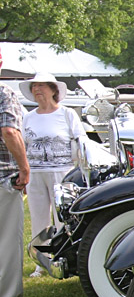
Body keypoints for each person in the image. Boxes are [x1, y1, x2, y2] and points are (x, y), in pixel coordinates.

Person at [20, 73, 87, 276]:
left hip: (62, 172)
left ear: (53, 89)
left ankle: (64, 258)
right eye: (34, 86)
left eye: (41, 85)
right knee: (39, 217)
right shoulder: (28, 117)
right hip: (36, 173)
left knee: (63, 218)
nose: (37, 89)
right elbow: (22, 144)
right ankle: (41, 262)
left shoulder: (67, 114)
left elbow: (81, 140)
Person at [0, 48, 31, 297]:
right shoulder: (4, 93)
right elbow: (9, 131)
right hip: (2, 176)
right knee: (7, 241)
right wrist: (24, 167)